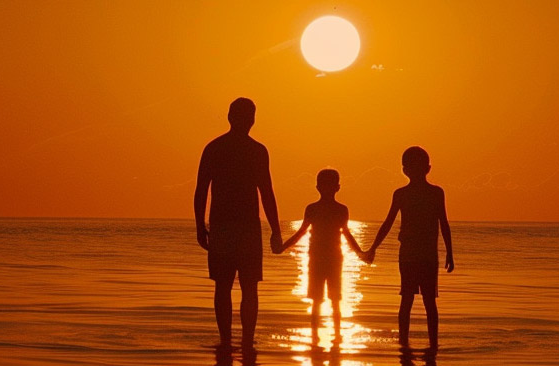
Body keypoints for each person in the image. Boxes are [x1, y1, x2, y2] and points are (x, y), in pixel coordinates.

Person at [194, 98, 283, 345]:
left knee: (240, 287)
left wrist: (276, 230)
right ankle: (235, 341)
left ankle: (241, 341)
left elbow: (266, 192)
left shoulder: (242, 150)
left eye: (249, 116)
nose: (248, 120)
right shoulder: (219, 149)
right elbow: (202, 189)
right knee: (232, 286)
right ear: (232, 118)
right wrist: (200, 226)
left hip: (240, 228)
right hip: (229, 228)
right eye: (245, 115)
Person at [363, 146, 454, 349]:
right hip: (410, 256)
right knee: (408, 299)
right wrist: (373, 247)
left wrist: (450, 252)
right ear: (405, 170)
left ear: (427, 168)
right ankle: (405, 343)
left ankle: (431, 344)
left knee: (426, 302)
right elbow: (388, 223)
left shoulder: (436, 193)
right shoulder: (401, 194)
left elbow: (443, 223)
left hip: (427, 256)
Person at [275, 168, 366, 340]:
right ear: (318, 187)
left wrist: (361, 253)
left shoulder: (341, 210)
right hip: (317, 260)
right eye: (325, 185)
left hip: (333, 260)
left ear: (337, 187)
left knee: (335, 300)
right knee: (317, 300)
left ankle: (337, 335)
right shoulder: (312, 209)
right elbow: (301, 232)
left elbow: (346, 234)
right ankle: (315, 336)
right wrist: (283, 247)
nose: (328, 188)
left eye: (330, 185)